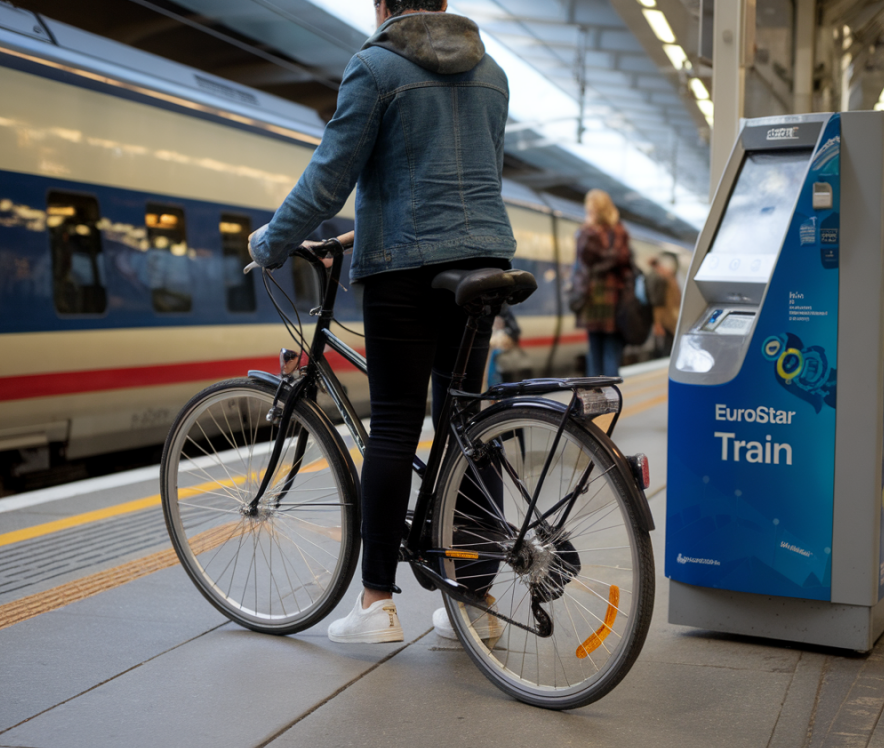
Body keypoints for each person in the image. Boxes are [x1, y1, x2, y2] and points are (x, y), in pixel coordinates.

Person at [248, 0, 516, 642]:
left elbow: (330, 177)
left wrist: (271, 243)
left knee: (395, 425)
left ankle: (376, 604)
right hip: (483, 262)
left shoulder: (374, 67)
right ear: (444, 3)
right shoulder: (493, 73)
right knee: (465, 421)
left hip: (406, 271)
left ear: (382, 6)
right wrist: (354, 237)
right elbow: (468, 180)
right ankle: (476, 603)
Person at [573, 190, 633, 377]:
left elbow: (583, 262)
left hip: (594, 295)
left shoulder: (588, 232)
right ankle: (610, 393)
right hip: (613, 297)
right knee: (610, 353)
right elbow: (623, 260)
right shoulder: (619, 231)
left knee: (596, 352)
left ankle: (597, 393)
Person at [647, 253, 682, 356]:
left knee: (668, 346)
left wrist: (657, 322)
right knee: (668, 346)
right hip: (670, 317)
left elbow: (659, 303)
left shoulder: (664, 277)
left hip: (669, 318)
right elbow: (659, 302)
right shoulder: (665, 278)